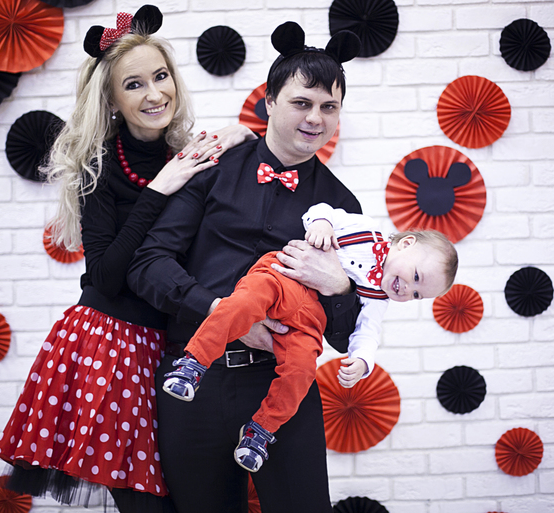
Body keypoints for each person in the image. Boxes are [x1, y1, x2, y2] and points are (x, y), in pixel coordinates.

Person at [0, 6, 256, 513]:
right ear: (112, 99)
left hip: (171, 348)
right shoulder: (98, 165)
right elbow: (105, 276)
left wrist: (240, 134)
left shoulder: (188, 157)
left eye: (161, 77)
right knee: (145, 505)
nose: (154, 94)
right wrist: (159, 190)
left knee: (193, 494)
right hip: (109, 348)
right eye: (134, 85)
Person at [127, 21, 364, 513]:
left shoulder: (343, 207)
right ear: (270, 101)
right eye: (302, 102)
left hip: (282, 385)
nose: (315, 118)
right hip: (193, 381)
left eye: (329, 107)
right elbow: (148, 264)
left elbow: (347, 337)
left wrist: (340, 287)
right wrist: (220, 311)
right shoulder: (213, 166)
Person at [161, 204, 458, 472]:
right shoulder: (365, 229)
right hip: (282, 277)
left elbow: (368, 333)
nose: (408, 290)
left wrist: (362, 360)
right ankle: (193, 363)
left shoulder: (378, 299)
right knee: (242, 304)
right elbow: (324, 210)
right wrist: (322, 224)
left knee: (302, 369)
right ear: (406, 243)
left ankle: (261, 430)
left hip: (309, 320)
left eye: (417, 295)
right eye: (416, 278)